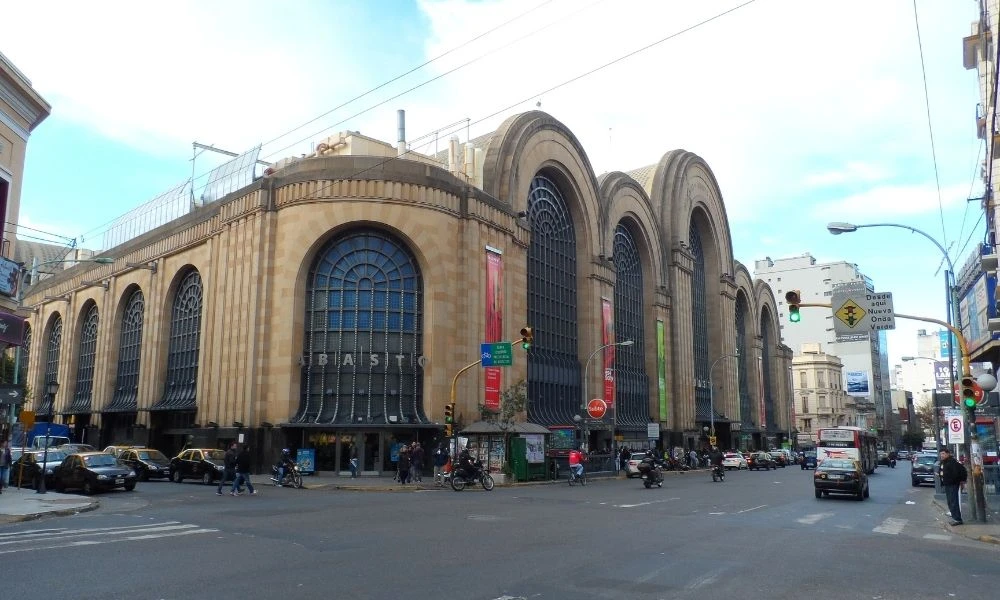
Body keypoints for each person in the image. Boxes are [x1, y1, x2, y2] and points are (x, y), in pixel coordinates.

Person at [939, 448, 967, 525]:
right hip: (947, 484)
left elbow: (958, 472)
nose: (942, 455)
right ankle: (955, 517)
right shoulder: (944, 462)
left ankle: (957, 519)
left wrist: (958, 481)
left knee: (953, 501)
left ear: (948, 454)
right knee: (950, 501)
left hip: (952, 484)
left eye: (943, 453)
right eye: (941, 454)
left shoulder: (952, 462)